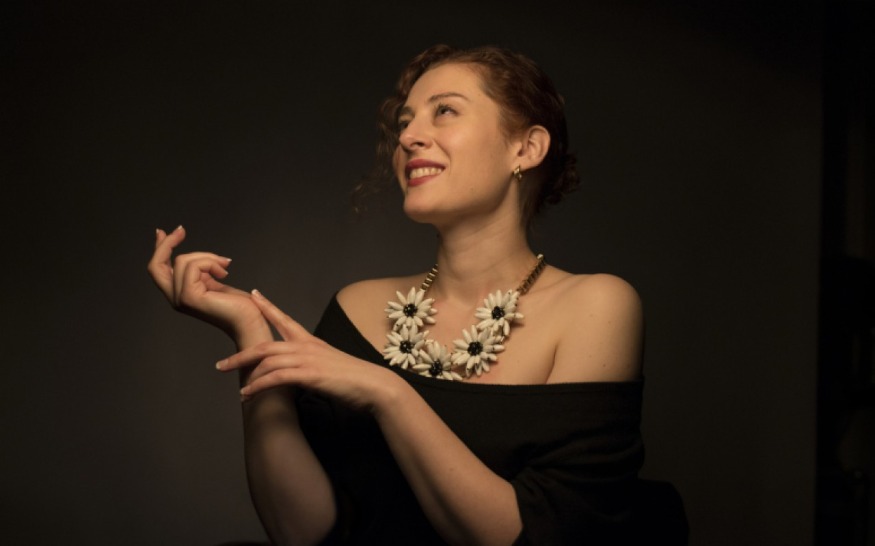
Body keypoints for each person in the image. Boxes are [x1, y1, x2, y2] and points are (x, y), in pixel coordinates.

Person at [148, 44, 645, 545]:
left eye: (444, 111)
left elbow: (542, 536)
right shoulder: (356, 307)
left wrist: (389, 393)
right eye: (405, 122)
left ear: (526, 148)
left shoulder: (596, 306)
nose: (407, 137)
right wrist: (249, 330)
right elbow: (303, 533)